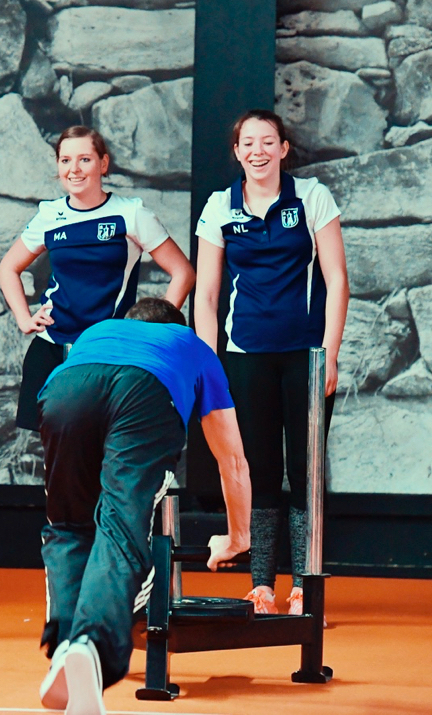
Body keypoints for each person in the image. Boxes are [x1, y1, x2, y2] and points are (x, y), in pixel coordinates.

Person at [35, 297, 251, 715]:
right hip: (144, 391)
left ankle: (66, 646)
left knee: (66, 524)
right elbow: (233, 460)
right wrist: (237, 537)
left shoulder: (97, 332)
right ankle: (90, 647)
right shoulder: (190, 343)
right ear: (175, 324)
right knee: (121, 526)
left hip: (65, 389)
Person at [193, 110, 348, 617]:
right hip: (244, 357)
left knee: (306, 474)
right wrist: (207, 363)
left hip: (304, 356)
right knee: (258, 472)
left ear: (283, 148)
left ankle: (308, 585)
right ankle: (261, 585)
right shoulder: (220, 207)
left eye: (268, 142)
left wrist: (329, 354)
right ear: (237, 152)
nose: (257, 151)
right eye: (247, 143)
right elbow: (208, 294)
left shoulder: (312, 197)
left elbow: (337, 280)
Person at [0, 126, 195, 433]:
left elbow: (183, 272)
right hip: (52, 347)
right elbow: (8, 268)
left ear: (103, 164)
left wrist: (149, 333)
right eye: (65, 160)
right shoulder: (49, 215)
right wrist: (24, 318)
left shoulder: (131, 214)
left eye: (84, 159)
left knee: (104, 452)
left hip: (108, 351)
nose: (74, 169)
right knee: (56, 457)